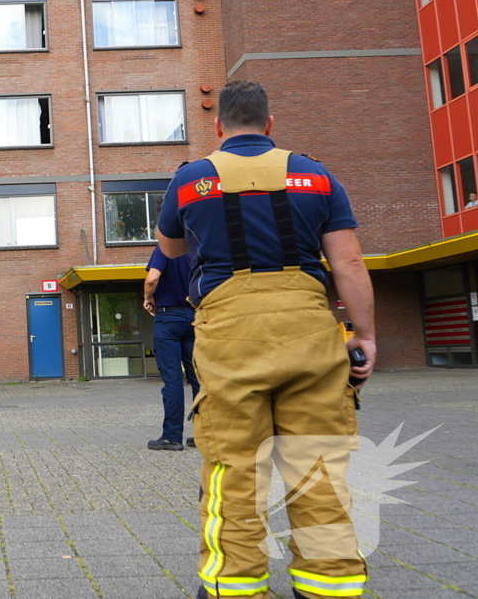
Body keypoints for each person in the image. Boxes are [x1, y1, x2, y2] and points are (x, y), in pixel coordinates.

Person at [157, 81, 375, 599]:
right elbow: (347, 262)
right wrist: (363, 334)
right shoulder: (316, 175)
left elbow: (170, 246)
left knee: (233, 468)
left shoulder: (191, 180)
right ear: (270, 124)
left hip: (230, 333)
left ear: (219, 126)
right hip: (309, 330)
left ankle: (236, 586)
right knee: (319, 465)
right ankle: (330, 585)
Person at [144, 243, 201, 451]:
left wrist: (148, 298)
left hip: (168, 319)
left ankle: (172, 436)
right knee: (199, 379)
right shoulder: (197, 250)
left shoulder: (166, 248)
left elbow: (152, 279)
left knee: (173, 379)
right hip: (195, 317)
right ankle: (203, 435)